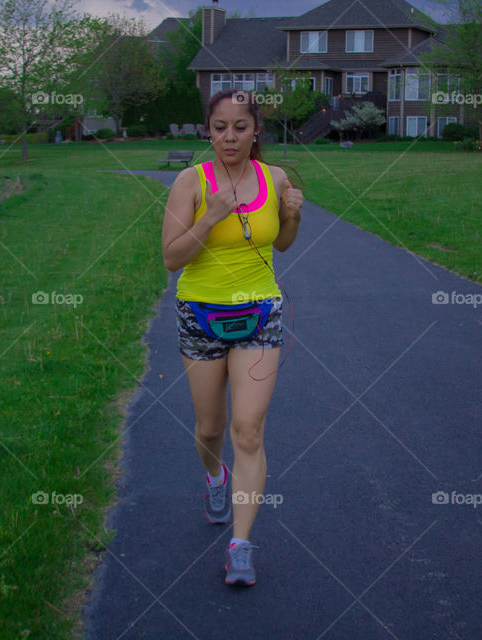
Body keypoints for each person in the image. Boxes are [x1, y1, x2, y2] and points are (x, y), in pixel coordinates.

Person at [161, 89, 303, 586]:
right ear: (208, 130)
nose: (229, 137)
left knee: (248, 429)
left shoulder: (275, 178)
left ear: (255, 130)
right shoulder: (190, 182)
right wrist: (212, 215)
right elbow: (173, 257)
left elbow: (282, 244)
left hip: (261, 313)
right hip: (200, 314)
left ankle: (240, 546)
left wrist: (292, 216)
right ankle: (215, 477)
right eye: (220, 127)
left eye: (240, 127)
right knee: (210, 428)